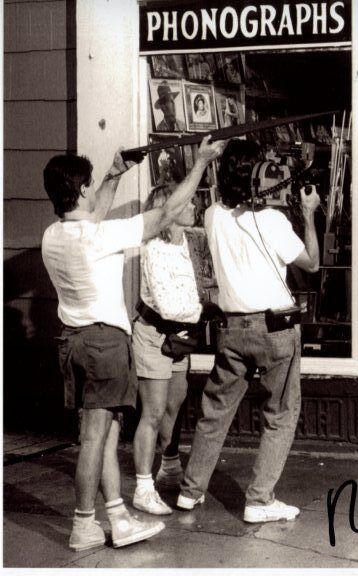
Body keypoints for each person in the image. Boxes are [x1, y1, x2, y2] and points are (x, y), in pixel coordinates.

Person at [41, 134, 227, 551]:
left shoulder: (53, 236)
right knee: (94, 438)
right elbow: (167, 213)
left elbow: (91, 215)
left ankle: (119, 517)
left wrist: (113, 174)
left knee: (104, 434)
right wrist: (199, 163)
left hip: (72, 342)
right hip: (105, 344)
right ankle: (84, 524)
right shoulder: (99, 236)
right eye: (92, 184)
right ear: (82, 189)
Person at [176, 139, 321, 524]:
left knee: (216, 410)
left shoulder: (211, 215)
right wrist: (307, 214)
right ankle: (259, 499)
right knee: (281, 413)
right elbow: (312, 263)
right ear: (259, 177)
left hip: (232, 327)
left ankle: (191, 490)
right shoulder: (272, 221)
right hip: (274, 328)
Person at [130, 183, 219, 515]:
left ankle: (169, 464)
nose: (193, 205)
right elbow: (168, 305)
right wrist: (209, 309)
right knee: (152, 413)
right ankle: (142, 486)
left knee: (174, 407)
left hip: (181, 337)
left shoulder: (192, 243)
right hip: (155, 334)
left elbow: (203, 282)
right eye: (186, 202)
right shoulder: (154, 249)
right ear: (167, 210)